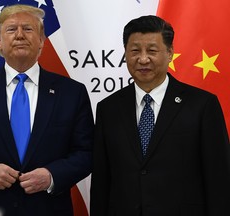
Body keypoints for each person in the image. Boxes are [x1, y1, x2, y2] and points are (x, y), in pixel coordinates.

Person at [0, 4, 94, 216]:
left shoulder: (71, 92)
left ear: (42, 41)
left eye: (28, 29)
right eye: (11, 29)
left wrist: (52, 176)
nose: (20, 35)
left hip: (49, 209)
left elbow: (87, 152)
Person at [90, 15, 230, 216]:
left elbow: (219, 179)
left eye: (152, 51)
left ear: (170, 53)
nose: (143, 59)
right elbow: (102, 181)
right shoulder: (108, 108)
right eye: (135, 51)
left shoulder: (202, 105)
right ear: (126, 54)